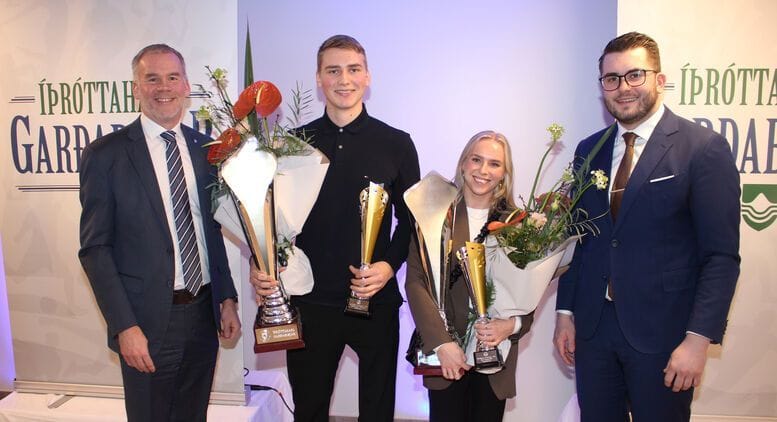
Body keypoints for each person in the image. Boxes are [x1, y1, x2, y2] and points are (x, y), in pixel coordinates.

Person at [553, 32, 740, 421]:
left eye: (634, 74)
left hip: (665, 336)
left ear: (660, 79)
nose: (623, 87)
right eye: (612, 78)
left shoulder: (703, 148)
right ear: (602, 87)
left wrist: (697, 340)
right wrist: (565, 313)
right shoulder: (588, 150)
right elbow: (579, 242)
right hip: (594, 332)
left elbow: (720, 257)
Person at [250, 35, 420, 422]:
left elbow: (411, 222)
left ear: (367, 76)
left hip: (374, 300)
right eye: (333, 70)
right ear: (318, 78)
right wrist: (261, 265)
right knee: (309, 410)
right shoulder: (293, 143)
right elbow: (270, 219)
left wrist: (388, 267)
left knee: (377, 412)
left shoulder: (396, 143)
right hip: (310, 301)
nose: (344, 79)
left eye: (353, 69)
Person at [79, 43, 241, 422]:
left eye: (172, 77)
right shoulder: (106, 155)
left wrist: (227, 298)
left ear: (186, 86)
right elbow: (95, 250)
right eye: (152, 79)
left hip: (203, 314)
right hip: (146, 322)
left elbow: (211, 230)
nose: (163, 87)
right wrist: (125, 326)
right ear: (136, 88)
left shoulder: (207, 150)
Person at [405, 131, 535, 422]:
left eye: (494, 164)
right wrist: (441, 343)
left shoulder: (517, 223)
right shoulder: (433, 212)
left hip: (495, 355)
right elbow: (415, 282)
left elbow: (529, 291)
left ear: (504, 174)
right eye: (476, 160)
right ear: (463, 163)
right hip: (447, 355)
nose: (483, 170)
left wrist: (512, 325)